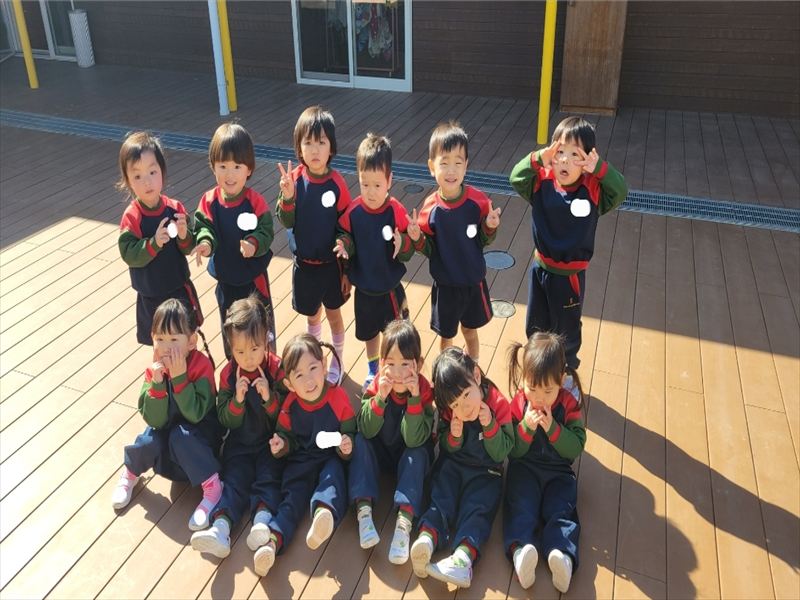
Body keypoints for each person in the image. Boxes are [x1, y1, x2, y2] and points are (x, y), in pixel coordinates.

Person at [509, 116, 628, 401]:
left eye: (575, 155)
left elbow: (620, 191)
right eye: (560, 151)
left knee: (567, 329)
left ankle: (565, 376)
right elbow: (516, 177)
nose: (565, 160)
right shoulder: (541, 181)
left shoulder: (593, 189)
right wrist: (538, 158)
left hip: (570, 276)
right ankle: (536, 372)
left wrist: (600, 170)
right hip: (540, 268)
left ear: (588, 160)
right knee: (536, 324)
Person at [190, 296, 287, 569]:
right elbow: (225, 419)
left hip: (270, 443)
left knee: (269, 478)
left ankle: (261, 522)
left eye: (255, 349)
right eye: (240, 351)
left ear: (266, 340)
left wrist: (269, 398)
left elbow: (286, 415)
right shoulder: (228, 374)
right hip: (240, 444)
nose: (248, 357)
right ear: (230, 348)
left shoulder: (276, 368)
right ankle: (220, 528)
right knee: (234, 481)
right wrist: (237, 401)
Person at [111, 299, 223, 532]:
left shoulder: (201, 366)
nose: (166, 347)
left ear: (191, 341)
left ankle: (213, 487)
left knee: (180, 437)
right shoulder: (155, 370)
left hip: (198, 440)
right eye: (160, 339)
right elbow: (155, 420)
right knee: (149, 439)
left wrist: (180, 378)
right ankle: (130, 473)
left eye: (173, 339)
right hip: (169, 437)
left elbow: (196, 414)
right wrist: (158, 383)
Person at [409, 347, 514, 589]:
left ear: (476, 376)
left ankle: (463, 558)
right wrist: (453, 437)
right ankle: (427, 538)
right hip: (454, 465)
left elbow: (503, 451)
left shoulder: (498, 403)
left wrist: (490, 427)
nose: (464, 407)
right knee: (440, 496)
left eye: (467, 395)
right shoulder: (449, 411)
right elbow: (445, 443)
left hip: (486, 471)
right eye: (455, 404)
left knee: (477, 509)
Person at [252, 334, 356, 577]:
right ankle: (272, 543)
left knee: (332, 480)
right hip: (300, 460)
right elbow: (286, 436)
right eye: (299, 375)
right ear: (289, 384)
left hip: (330, 457)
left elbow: (349, 430)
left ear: (324, 364)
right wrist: (281, 445)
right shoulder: (290, 405)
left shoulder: (338, 397)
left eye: (313, 368)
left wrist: (345, 445)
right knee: (292, 499)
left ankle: (323, 513)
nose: (309, 380)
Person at [333, 133, 425, 390]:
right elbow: (344, 234)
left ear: (389, 181)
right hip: (364, 289)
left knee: (397, 334)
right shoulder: (354, 211)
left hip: (390, 288)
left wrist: (405, 241)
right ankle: (374, 368)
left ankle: (400, 368)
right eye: (365, 184)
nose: (371, 192)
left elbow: (408, 248)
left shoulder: (395, 210)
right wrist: (344, 245)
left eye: (377, 185)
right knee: (368, 333)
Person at [503, 332, 586, 593]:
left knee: (560, 508)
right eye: (532, 388)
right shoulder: (519, 402)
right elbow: (513, 451)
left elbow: (576, 446)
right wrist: (526, 428)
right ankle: (521, 552)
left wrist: (553, 429)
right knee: (521, 505)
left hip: (558, 471)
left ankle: (562, 556)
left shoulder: (569, 403)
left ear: (561, 380)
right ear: (524, 379)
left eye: (548, 391)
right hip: (525, 467)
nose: (538, 398)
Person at [276, 106, 352, 384]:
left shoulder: (337, 183)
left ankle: (337, 360)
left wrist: (344, 245)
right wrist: (287, 197)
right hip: (304, 265)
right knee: (312, 316)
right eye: (308, 142)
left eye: (321, 142)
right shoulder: (294, 180)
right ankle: (315, 360)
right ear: (299, 147)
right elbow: (286, 220)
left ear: (331, 147)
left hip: (331, 266)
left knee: (334, 314)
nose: (315, 149)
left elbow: (346, 225)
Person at [348, 319, 434, 564]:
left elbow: (414, 439)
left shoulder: (424, 390)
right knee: (361, 441)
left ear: (418, 364)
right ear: (381, 363)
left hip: (408, 451)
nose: (397, 373)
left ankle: (404, 522)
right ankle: (364, 512)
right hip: (383, 449)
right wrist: (380, 398)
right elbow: (367, 429)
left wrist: (414, 398)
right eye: (391, 364)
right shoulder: (378, 384)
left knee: (418, 453)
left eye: (405, 364)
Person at [416, 121, 501, 363]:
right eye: (444, 163)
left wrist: (489, 226)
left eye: (458, 162)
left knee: (470, 331)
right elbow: (427, 248)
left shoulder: (478, 201)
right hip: (445, 286)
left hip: (473, 281)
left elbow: (483, 239)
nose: (451, 171)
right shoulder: (430, 208)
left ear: (466, 166)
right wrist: (416, 238)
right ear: (432, 167)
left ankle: (473, 366)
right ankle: (446, 370)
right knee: (446, 335)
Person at [194, 122, 276, 357]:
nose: (229, 175)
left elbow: (266, 230)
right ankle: (234, 367)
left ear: (249, 169)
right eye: (223, 166)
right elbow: (203, 226)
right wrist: (205, 242)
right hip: (226, 278)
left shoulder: (254, 201)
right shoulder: (209, 201)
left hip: (253, 279)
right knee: (231, 327)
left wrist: (254, 243)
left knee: (261, 327)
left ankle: (267, 363)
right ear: (213, 166)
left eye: (237, 166)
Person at [117, 131, 202, 346]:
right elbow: (128, 253)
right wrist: (153, 244)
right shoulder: (132, 216)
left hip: (178, 288)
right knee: (160, 346)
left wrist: (184, 235)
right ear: (128, 181)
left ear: (162, 172)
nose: (147, 181)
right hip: (151, 295)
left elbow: (188, 246)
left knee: (187, 340)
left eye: (152, 172)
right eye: (137, 176)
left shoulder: (175, 208)